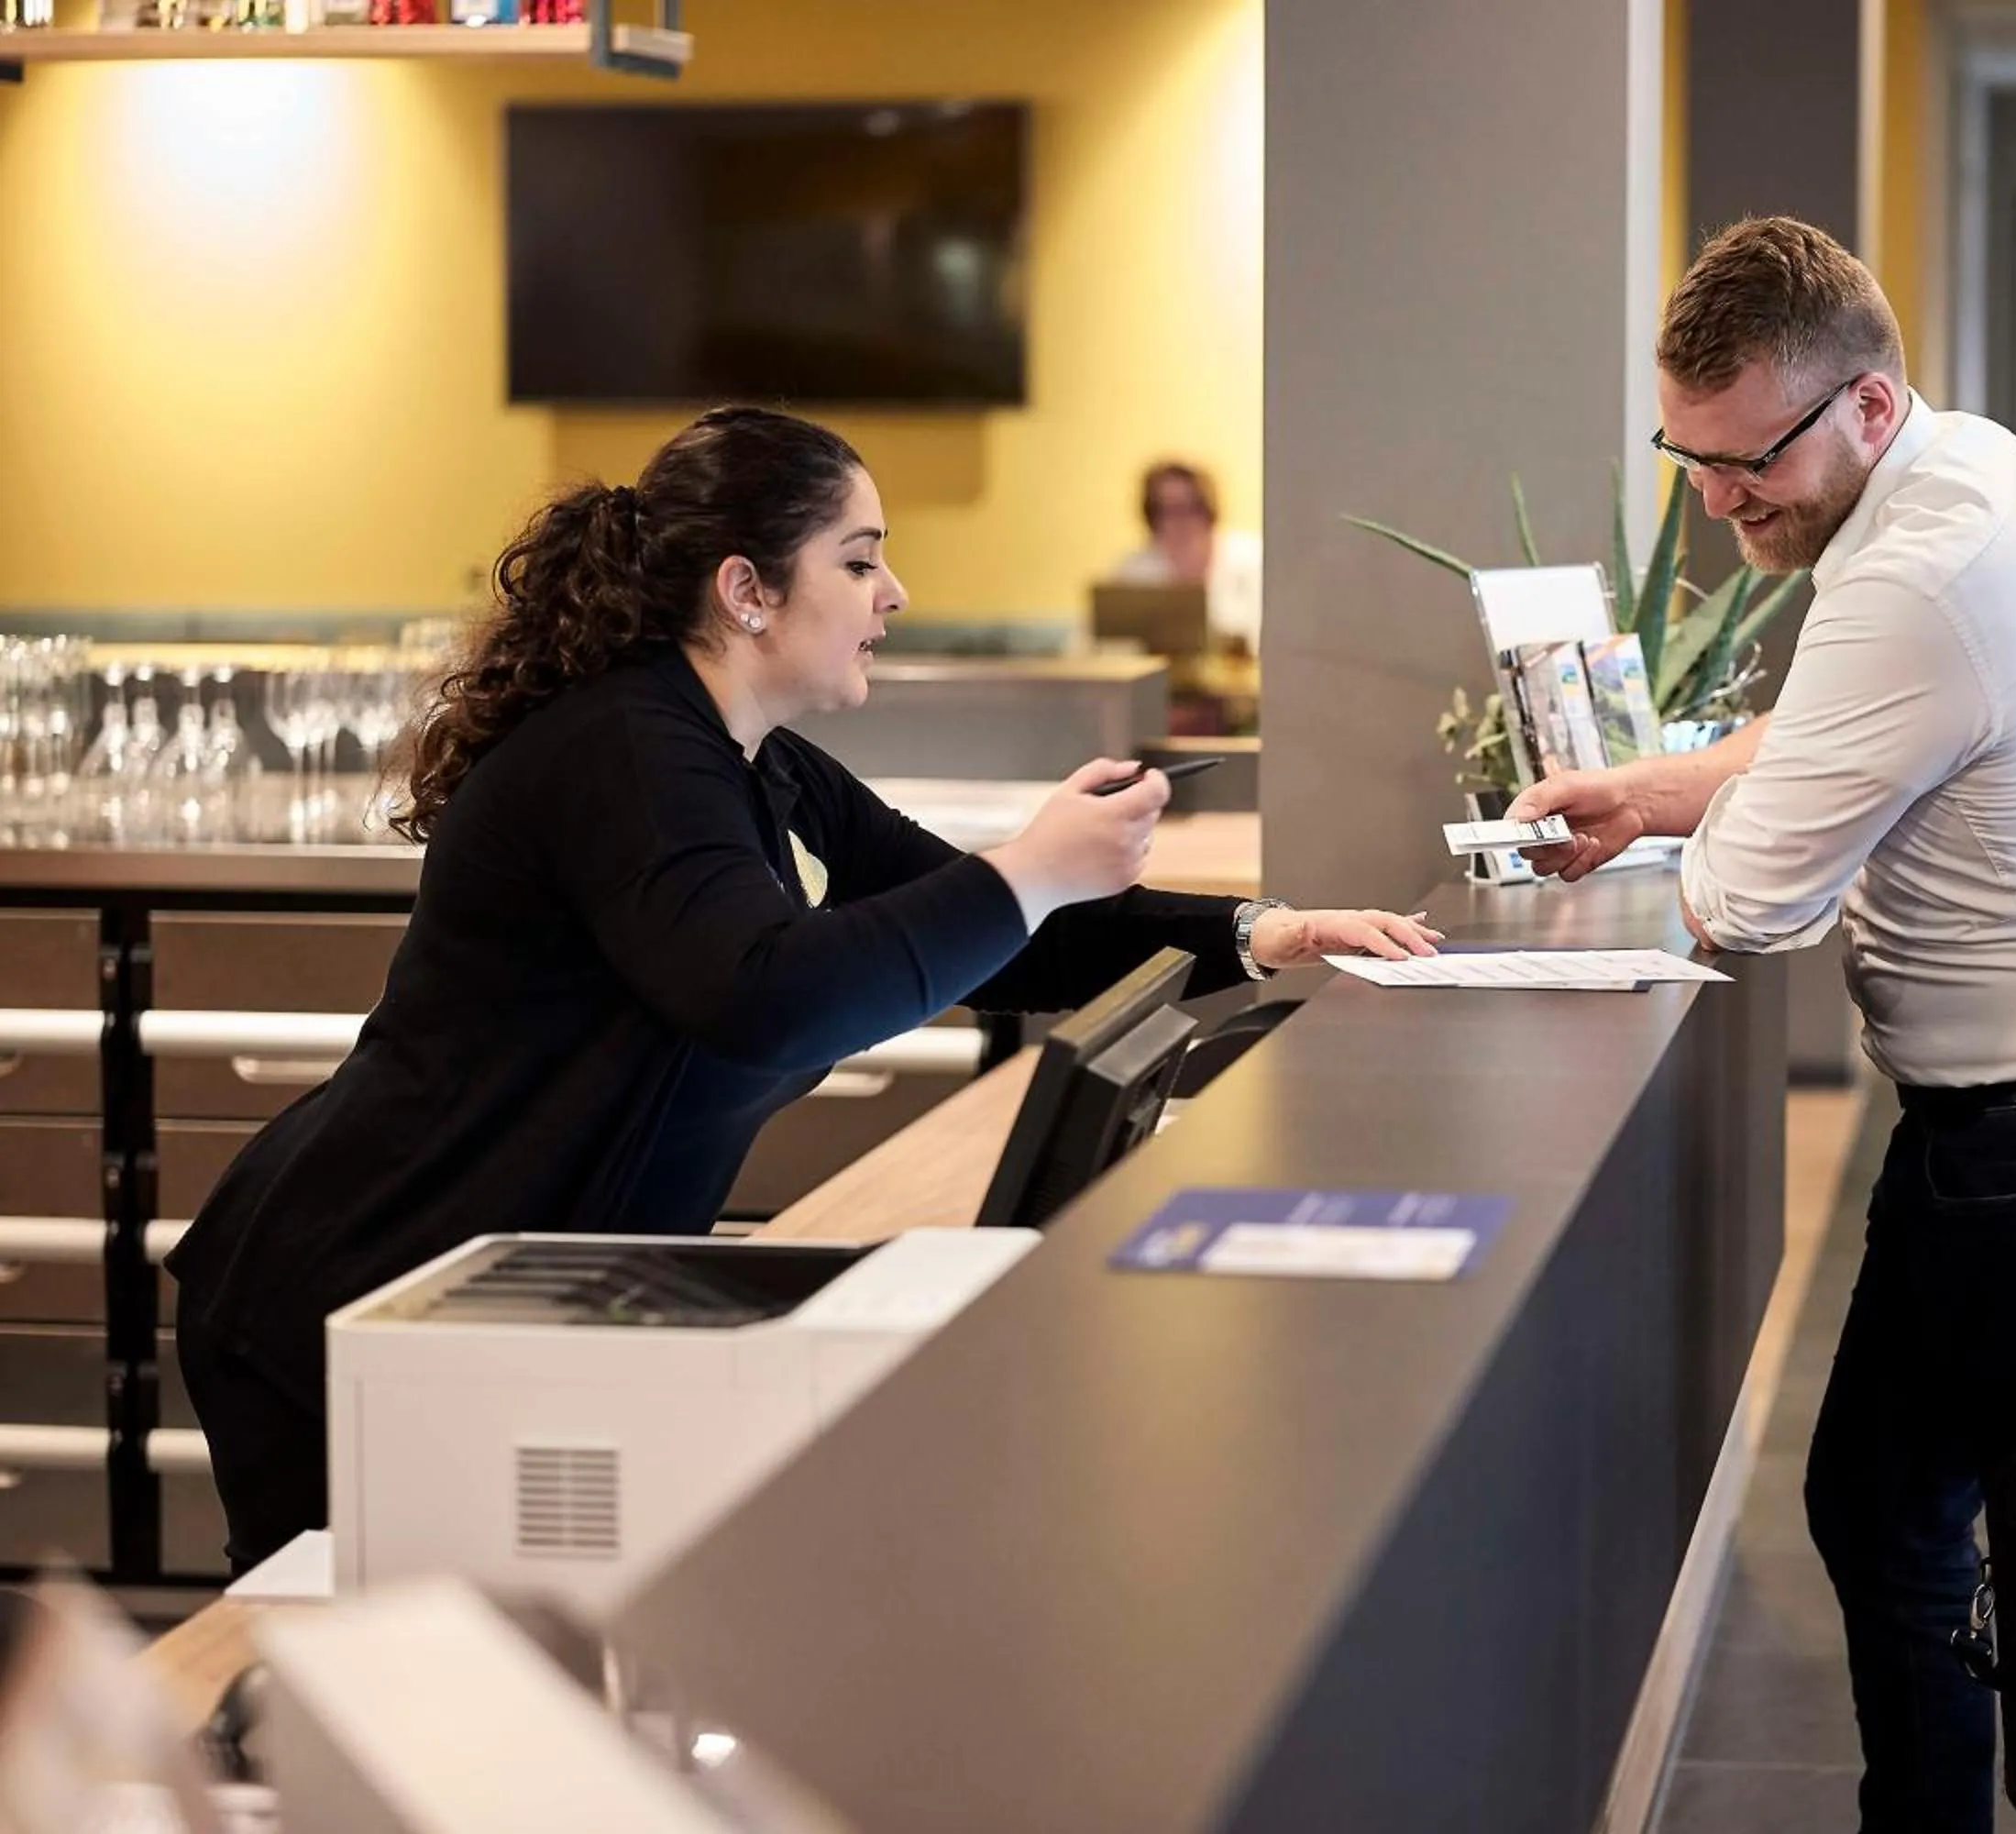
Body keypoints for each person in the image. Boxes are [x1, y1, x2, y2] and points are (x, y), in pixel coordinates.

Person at [168, 407, 1438, 1573]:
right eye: (861, 558)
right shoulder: (628, 752)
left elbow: (1020, 936)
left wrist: (1264, 932)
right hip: (355, 1301)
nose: (895, 593)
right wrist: (1023, 873)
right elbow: (764, 993)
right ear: (747, 589)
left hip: (522, 1301)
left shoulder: (756, 760)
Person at [1509, 217, 2016, 1833]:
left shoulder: (1917, 569)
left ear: (1867, 405)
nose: (1722, 501)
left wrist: (1704, 823)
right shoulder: (1971, 471)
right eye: (1692, 458)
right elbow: (1823, 740)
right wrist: (1658, 789)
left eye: (1751, 460)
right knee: (1897, 1508)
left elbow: (1750, 901)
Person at [1107, 459, 1264, 654]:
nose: (1181, 521)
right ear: (1152, 517)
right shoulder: (1133, 573)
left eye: (1190, 507)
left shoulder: (1254, 559)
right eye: (1167, 510)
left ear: (1208, 509)